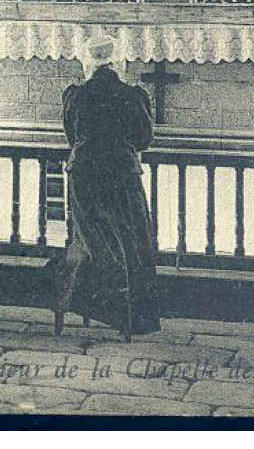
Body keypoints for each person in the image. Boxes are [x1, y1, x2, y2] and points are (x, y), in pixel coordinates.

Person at [46, 35, 160, 340]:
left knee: (88, 241)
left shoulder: (75, 96)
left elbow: (72, 136)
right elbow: (144, 139)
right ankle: (129, 318)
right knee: (128, 241)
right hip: (122, 174)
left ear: (89, 64)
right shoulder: (133, 96)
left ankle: (76, 303)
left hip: (85, 175)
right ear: (117, 63)